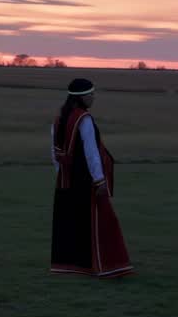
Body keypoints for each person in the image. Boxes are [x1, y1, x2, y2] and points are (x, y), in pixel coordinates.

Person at [50, 78, 133, 278]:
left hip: (64, 179)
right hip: (86, 179)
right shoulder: (84, 119)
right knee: (99, 221)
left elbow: (54, 152)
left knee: (70, 222)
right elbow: (91, 152)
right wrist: (99, 179)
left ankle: (68, 266)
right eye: (91, 94)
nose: (93, 97)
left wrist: (61, 174)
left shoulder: (58, 119)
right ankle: (107, 265)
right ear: (82, 97)